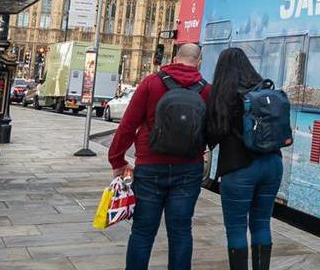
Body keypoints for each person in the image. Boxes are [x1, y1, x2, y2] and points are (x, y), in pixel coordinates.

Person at [108, 43, 210, 270]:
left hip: (150, 167)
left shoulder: (151, 83)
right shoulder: (206, 90)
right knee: (181, 232)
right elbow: (213, 130)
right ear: (199, 61)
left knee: (143, 232)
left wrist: (117, 160)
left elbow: (127, 125)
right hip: (188, 170)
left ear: (175, 58)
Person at [205, 48, 283, 270]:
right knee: (261, 225)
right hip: (273, 164)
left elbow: (214, 134)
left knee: (237, 228)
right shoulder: (263, 89)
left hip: (239, 167)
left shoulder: (223, 94)